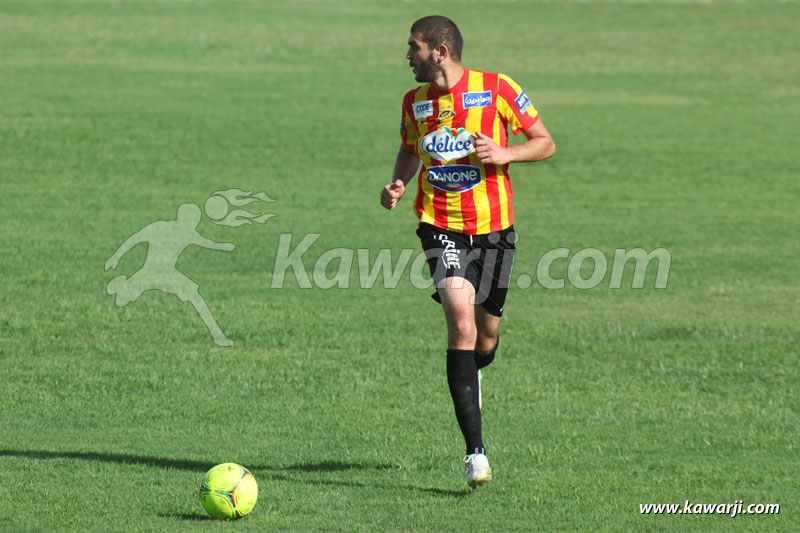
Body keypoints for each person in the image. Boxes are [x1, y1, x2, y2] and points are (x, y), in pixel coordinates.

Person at [380, 15, 555, 488]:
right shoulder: (414, 102)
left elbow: (545, 143)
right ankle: (475, 453)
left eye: (413, 47)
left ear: (439, 50)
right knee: (460, 324)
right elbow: (410, 148)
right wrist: (400, 181)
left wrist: (506, 153)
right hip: (439, 226)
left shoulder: (497, 88)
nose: (408, 56)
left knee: (485, 338)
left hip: (495, 230)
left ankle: (475, 371)